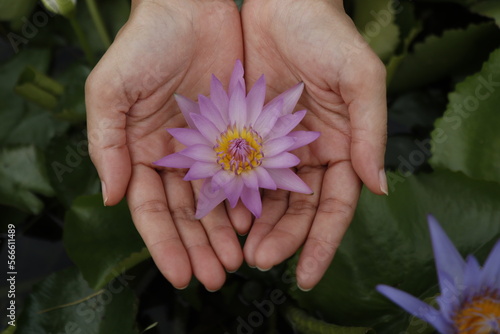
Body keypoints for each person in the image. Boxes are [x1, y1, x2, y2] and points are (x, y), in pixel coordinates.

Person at [85, 0, 387, 292]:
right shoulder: (197, 127)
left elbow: (291, 139)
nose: (240, 149)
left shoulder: (271, 153)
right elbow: (189, 137)